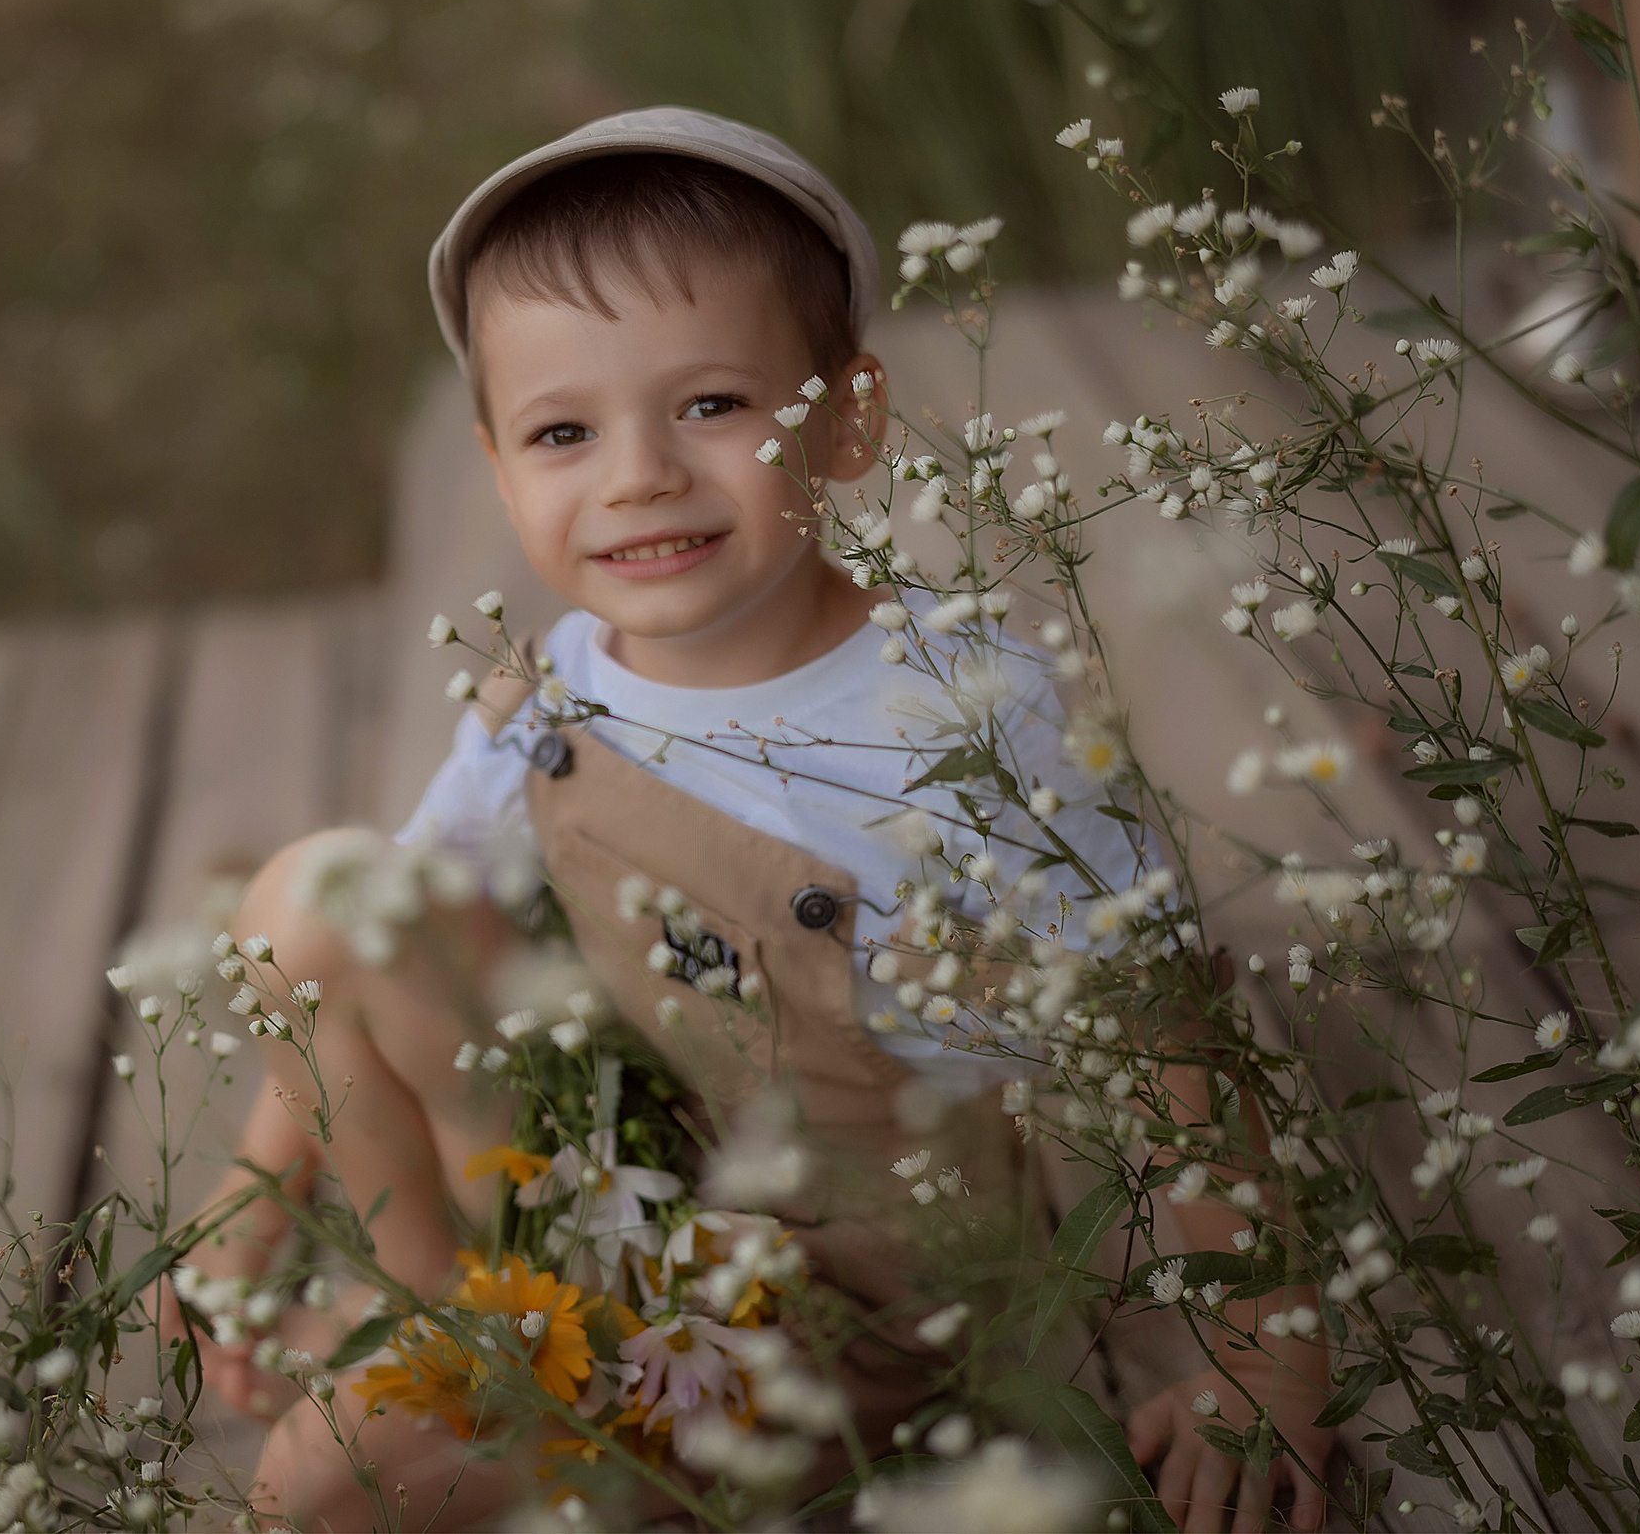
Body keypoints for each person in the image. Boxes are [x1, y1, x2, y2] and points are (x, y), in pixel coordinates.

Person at [167, 107, 1329, 1532]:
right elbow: (367, 955)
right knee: (319, 892)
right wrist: (243, 1213)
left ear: (847, 418)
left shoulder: (962, 712)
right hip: (616, 1195)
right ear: (499, 465)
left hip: (846, 1311)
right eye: (564, 430)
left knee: (316, 1481)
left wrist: (1265, 1353)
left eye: (709, 405)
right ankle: (453, 1318)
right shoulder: (553, 697)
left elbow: (1166, 1038)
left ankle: (486, 1392)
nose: (639, 472)